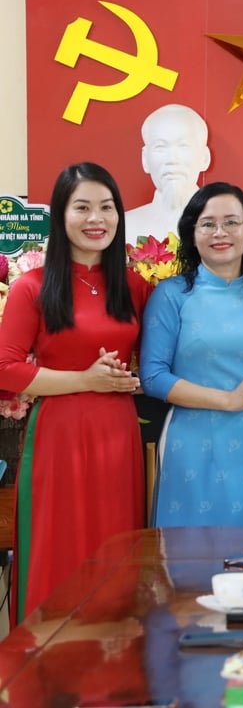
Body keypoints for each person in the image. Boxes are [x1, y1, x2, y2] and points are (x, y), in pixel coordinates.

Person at [0, 162, 150, 622]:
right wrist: (86, 380)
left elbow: (152, 364)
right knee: (57, 546)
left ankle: (113, 677)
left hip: (118, 435)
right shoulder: (33, 287)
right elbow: (6, 369)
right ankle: (45, 674)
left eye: (106, 207)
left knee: (115, 547)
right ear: (61, 217)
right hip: (57, 437)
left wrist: (133, 378)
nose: (96, 218)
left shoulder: (136, 286)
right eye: (81, 207)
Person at [140, 181, 243, 527]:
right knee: (186, 555)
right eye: (207, 224)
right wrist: (228, 399)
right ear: (192, 234)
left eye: (232, 222)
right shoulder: (172, 294)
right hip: (189, 440)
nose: (220, 232)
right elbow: (153, 376)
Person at [125, 104, 211, 245]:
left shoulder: (234, 228)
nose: (172, 159)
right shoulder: (124, 227)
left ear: (204, 157)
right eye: (160, 147)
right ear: (145, 159)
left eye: (184, 146)